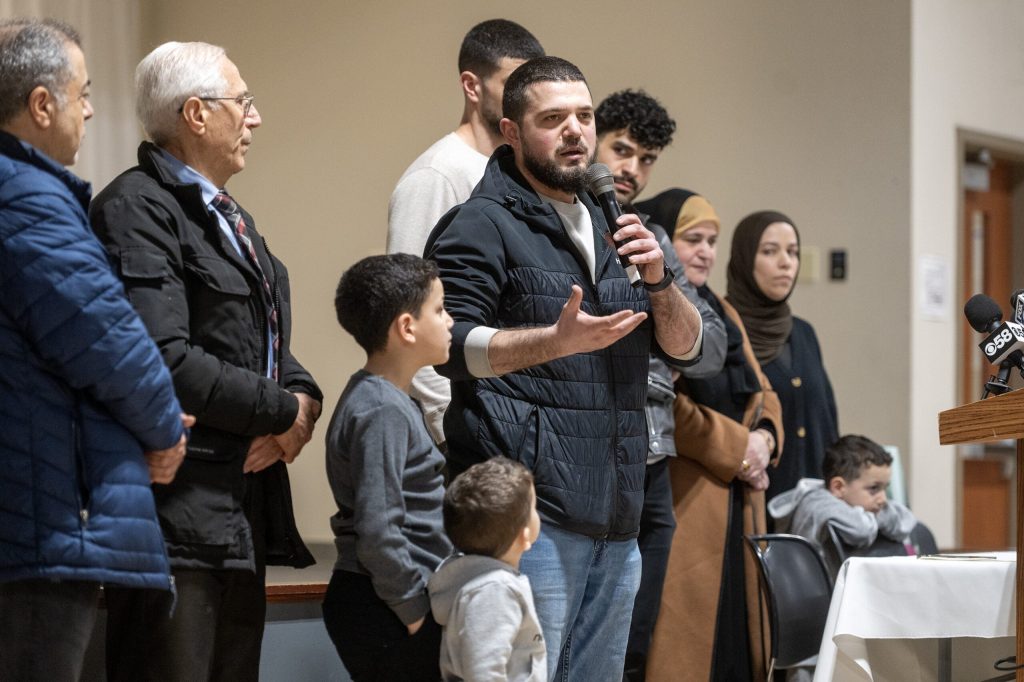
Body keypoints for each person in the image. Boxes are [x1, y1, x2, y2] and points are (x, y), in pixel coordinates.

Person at [426, 56, 705, 681]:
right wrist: (551, 343)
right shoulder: (480, 224)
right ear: (511, 132)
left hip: (620, 512)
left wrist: (659, 280)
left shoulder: (622, 228)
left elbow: (690, 351)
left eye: (584, 116)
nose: (576, 131)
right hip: (534, 520)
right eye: (553, 119)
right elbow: (448, 346)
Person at [90, 41, 323, 682]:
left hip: (237, 512)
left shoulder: (229, 216)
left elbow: (262, 339)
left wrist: (304, 403)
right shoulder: (136, 209)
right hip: (174, 519)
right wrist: (282, 410)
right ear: (196, 114)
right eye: (243, 102)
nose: (255, 117)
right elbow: (164, 358)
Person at [0, 18, 189, 681]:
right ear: (40, 104)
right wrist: (165, 430)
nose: (88, 108)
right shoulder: (24, 196)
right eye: (81, 92)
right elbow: (106, 339)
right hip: (39, 522)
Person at [593, 91, 727, 681]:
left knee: (636, 647)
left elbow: (709, 349)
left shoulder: (647, 233)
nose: (631, 169)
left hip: (652, 461)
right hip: (588, 456)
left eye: (646, 160)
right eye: (621, 149)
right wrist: (660, 345)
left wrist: (665, 330)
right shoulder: (559, 219)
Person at [635, 189, 782, 682]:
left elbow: (762, 387)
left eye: (713, 241)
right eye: (691, 239)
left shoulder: (719, 309)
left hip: (741, 499)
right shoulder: (656, 306)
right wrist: (739, 448)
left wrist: (764, 435)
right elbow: (663, 404)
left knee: (739, 642)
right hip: (687, 494)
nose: (705, 252)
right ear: (662, 244)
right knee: (687, 645)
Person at [388, 18, 544, 446]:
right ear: (472, 87)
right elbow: (407, 311)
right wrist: (445, 427)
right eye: (512, 83)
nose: (524, 98)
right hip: (461, 430)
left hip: (514, 418)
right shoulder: (436, 176)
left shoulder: (520, 174)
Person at [322, 253, 454, 681]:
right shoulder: (382, 408)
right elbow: (379, 530)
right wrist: (415, 615)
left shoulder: (392, 400)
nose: (450, 320)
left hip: (389, 598)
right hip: (383, 602)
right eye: (440, 309)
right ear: (406, 327)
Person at [726, 210, 838, 503]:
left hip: (811, 510)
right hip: (751, 502)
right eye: (769, 251)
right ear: (744, 258)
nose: (786, 262)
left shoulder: (803, 333)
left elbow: (826, 424)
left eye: (793, 252)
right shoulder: (723, 329)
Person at [429, 457, 545, 682]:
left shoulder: (482, 583)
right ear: (525, 535)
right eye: (533, 508)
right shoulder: (495, 591)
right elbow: (483, 670)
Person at [769, 434, 917, 563]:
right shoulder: (817, 503)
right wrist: (877, 519)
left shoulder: (860, 502)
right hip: (818, 593)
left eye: (885, 488)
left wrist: (873, 517)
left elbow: (905, 520)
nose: (883, 499)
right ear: (839, 487)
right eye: (874, 488)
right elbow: (861, 530)